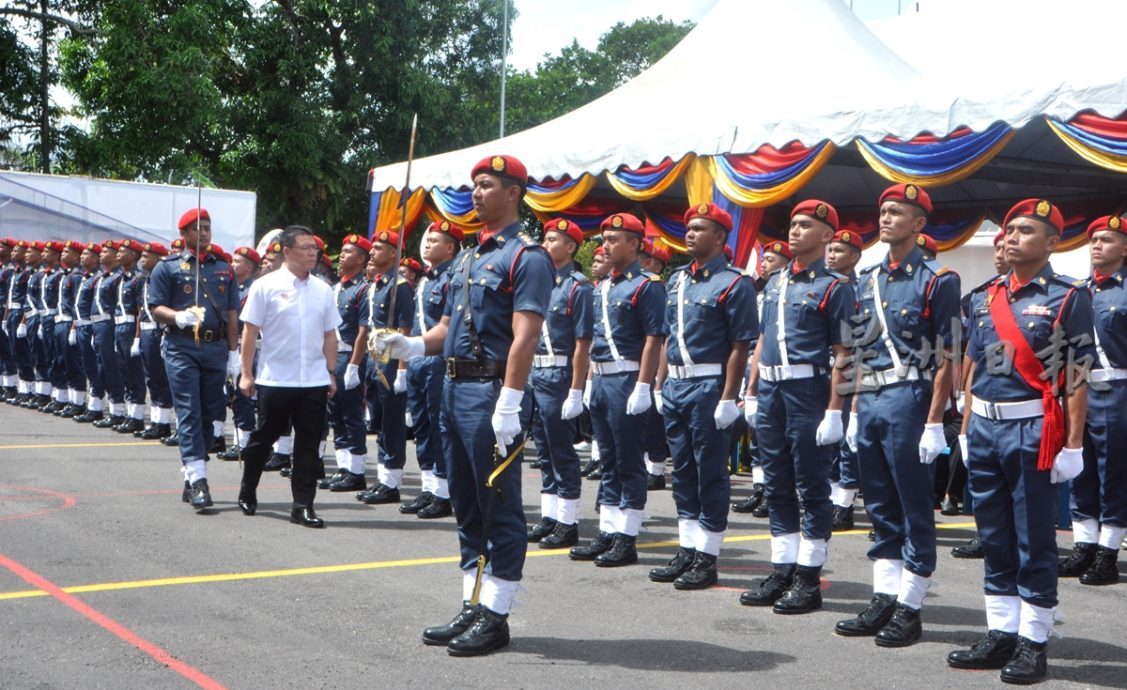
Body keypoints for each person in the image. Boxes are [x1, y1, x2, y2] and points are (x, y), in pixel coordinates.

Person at [377, 154, 552, 657]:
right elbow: (448, 331)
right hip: (454, 390)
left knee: (498, 503)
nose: (476, 194)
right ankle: (473, 601)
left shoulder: (527, 257)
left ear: (513, 193)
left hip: (491, 393)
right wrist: (409, 345)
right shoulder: (469, 258)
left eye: (486, 185)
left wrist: (510, 403)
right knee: (466, 502)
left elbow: (524, 336)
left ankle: (496, 614)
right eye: (474, 185)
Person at [947, 199, 1092, 684]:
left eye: (1025, 231)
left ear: (1052, 243)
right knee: (993, 536)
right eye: (1008, 230)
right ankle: (1001, 632)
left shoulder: (1068, 298)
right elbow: (975, 369)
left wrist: (1072, 446)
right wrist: (966, 430)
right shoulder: (983, 296)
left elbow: (1074, 377)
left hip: (1033, 431)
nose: (1011, 237)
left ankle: (1033, 641)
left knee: (1033, 539)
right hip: (985, 429)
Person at [835, 184, 960, 647]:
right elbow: (855, 350)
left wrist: (933, 421)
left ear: (919, 224)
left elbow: (948, 354)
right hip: (868, 399)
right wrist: (850, 409)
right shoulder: (865, 280)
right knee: (880, 504)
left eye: (896, 212)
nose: (886, 218)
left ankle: (911, 605)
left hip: (910, 396)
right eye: (883, 211)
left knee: (913, 506)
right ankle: (884, 596)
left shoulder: (937, 279)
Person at [739, 200, 854, 614]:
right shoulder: (774, 282)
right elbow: (761, 343)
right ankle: (783, 567)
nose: (795, 231)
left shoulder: (835, 287)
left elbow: (845, 352)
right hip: (770, 391)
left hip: (808, 391)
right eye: (793, 224)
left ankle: (808, 577)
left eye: (806, 225)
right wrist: (751, 392)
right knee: (777, 484)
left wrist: (835, 410)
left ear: (826, 237)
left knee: (812, 486)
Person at [650, 203, 756, 589]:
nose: (690, 233)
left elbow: (740, 345)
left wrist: (730, 397)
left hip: (710, 386)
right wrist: (659, 385)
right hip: (677, 386)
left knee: (710, 473)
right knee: (682, 472)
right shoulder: (677, 280)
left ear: (719, 237)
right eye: (688, 227)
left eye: (700, 228)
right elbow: (665, 339)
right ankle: (688, 547)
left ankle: (707, 556)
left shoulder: (734, 283)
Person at [569, 212, 666, 567]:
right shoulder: (603, 287)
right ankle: (608, 530)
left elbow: (654, 338)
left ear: (635, 243)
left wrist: (644, 385)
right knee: (607, 459)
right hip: (602, 379)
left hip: (627, 378)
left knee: (628, 461)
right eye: (604, 239)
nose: (605, 245)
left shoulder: (647, 285)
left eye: (613, 239)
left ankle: (627, 536)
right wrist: (584, 387)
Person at [235, 225, 340, 528]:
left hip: (313, 380)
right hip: (276, 378)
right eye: (306, 247)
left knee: (308, 444)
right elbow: (250, 331)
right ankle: (248, 486)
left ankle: (303, 505)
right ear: (287, 250)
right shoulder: (265, 285)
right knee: (263, 438)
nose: (313, 252)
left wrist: (330, 372)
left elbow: (330, 334)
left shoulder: (322, 288)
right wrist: (245, 373)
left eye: (314, 248)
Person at [148, 209, 241, 512]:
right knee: (188, 410)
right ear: (184, 235)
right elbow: (155, 307)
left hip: (215, 348)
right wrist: (177, 316)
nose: (204, 233)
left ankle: (192, 475)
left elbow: (231, 313)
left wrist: (233, 351)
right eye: (197, 229)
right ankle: (200, 480)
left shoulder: (224, 267)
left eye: (207, 228)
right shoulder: (168, 267)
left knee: (210, 413)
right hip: (181, 345)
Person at [1056, 214, 1127, 585]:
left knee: (1113, 472)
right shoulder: (1078, 292)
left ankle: (1108, 553)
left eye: (1107, 240)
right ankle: (1083, 546)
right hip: (1080, 389)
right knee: (1079, 466)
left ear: (1124, 249)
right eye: (1094, 239)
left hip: (1118, 390)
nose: (1097, 245)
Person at [525, 218, 593, 549]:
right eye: (546, 238)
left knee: (561, 450)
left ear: (570, 247)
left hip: (560, 374)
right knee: (544, 449)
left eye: (553, 239)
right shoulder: (539, 282)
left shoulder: (578, 287)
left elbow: (583, 343)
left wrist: (577, 389)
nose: (546, 243)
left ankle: (568, 522)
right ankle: (550, 516)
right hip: (537, 374)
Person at [949, 229, 1010, 560]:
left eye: (1006, 247)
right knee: (985, 477)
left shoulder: (1053, 297)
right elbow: (973, 348)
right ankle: (986, 535)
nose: (1000, 253)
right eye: (997, 247)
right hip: (983, 395)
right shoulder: (980, 298)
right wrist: (963, 390)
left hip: (1022, 400)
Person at [400, 220, 463, 519]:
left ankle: (444, 492)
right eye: (427, 240)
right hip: (418, 361)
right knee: (422, 425)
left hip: (437, 361)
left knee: (440, 429)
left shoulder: (453, 278)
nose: (427, 244)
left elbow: (447, 328)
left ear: (450, 247)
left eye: (435, 241)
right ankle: (429, 488)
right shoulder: (425, 280)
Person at [732, 240, 794, 518]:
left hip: (790, 376)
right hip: (757, 371)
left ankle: (777, 492)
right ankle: (760, 489)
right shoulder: (762, 295)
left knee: (782, 442)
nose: (765, 263)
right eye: (764, 258)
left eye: (771, 259)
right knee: (759, 440)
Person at [355, 230, 415, 505]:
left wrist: (402, 368)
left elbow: (405, 329)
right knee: (377, 420)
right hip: (374, 357)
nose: (373, 252)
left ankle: (391, 481)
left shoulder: (400, 286)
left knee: (391, 422)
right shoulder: (376, 285)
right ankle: (382, 478)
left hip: (391, 360)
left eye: (380, 248)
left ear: (394, 253)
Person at [319, 234, 372, 491]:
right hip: (334, 355)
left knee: (352, 414)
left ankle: (357, 470)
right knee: (336, 413)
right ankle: (344, 467)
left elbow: (364, 330)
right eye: (342, 250)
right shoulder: (337, 288)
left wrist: (354, 364)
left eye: (349, 252)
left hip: (352, 356)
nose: (342, 255)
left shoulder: (364, 288)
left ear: (361, 258)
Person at [824, 229, 864, 531]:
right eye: (831, 249)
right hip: (825, 369)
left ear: (855, 257)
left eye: (839, 250)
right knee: (828, 440)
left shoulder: (862, 290)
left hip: (852, 369)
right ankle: (831, 495)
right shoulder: (824, 286)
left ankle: (845, 502)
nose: (831, 254)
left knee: (848, 441)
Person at [134, 243, 174, 439]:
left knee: (161, 378)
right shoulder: (146, 279)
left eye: (146, 256)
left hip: (158, 332)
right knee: (151, 377)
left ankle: (164, 423)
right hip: (147, 332)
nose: (142, 259)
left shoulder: (162, 278)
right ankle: (157, 421)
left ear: (158, 259)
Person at [112, 240, 149, 434]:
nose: (118, 253)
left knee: (134, 373)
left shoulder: (138, 278)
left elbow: (140, 310)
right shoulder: (122, 278)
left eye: (123, 251)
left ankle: (137, 417)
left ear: (133, 255)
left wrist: (137, 337)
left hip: (130, 327)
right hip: (119, 326)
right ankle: (129, 414)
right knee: (124, 371)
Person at [72, 243, 107, 423]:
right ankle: (93, 405)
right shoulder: (87, 278)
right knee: (87, 367)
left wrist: (92, 331)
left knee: (94, 369)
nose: (82, 257)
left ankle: (96, 407)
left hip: (90, 326)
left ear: (95, 259)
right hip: (81, 326)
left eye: (86, 254)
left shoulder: (98, 278)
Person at [51, 241, 85, 417]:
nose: (63, 254)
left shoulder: (77, 276)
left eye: (67, 252)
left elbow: (77, 305)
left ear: (76, 256)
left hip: (68, 323)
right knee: (60, 362)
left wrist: (73, 328)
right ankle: (66, 399)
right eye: (62, 251)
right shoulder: (66, 275)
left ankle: (77, 402)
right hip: (59, 322)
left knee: (73, 364)